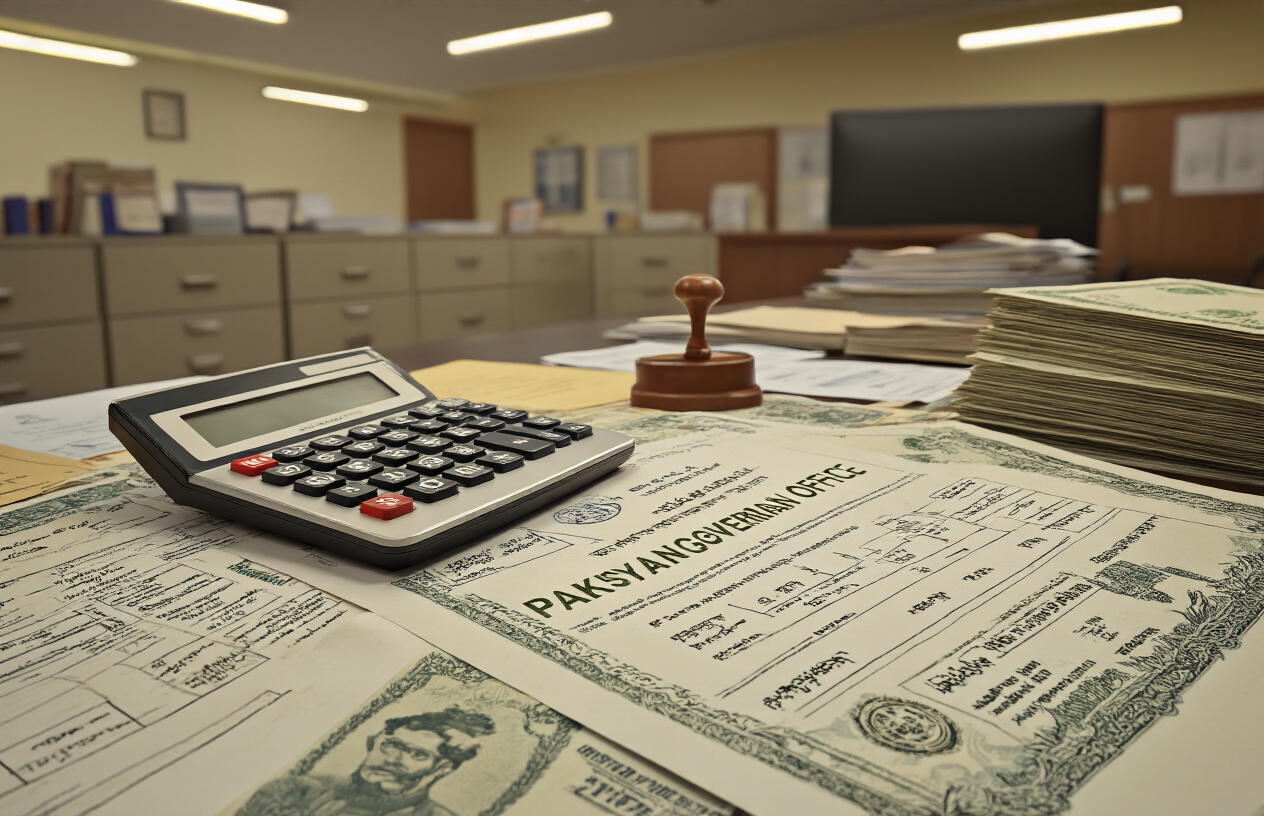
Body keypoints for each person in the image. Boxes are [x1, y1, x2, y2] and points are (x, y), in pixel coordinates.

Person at [238, 707, 496, 816]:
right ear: (374, 742)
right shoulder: (293, 790)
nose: (395, 760)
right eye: (392, 745)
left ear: (442, 769)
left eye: (418, 755)